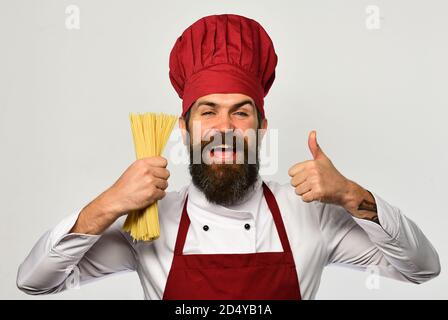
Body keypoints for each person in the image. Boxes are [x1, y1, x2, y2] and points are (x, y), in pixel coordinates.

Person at [17, 14, 440, 300]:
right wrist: (109, 203)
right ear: (184, 128)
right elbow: (33, 282)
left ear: (260, 127)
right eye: (208, 111)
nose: (224, 127)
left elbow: (422, 268)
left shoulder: (308, 215)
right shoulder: (146, 225)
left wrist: (351, 195)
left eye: (241, 111)